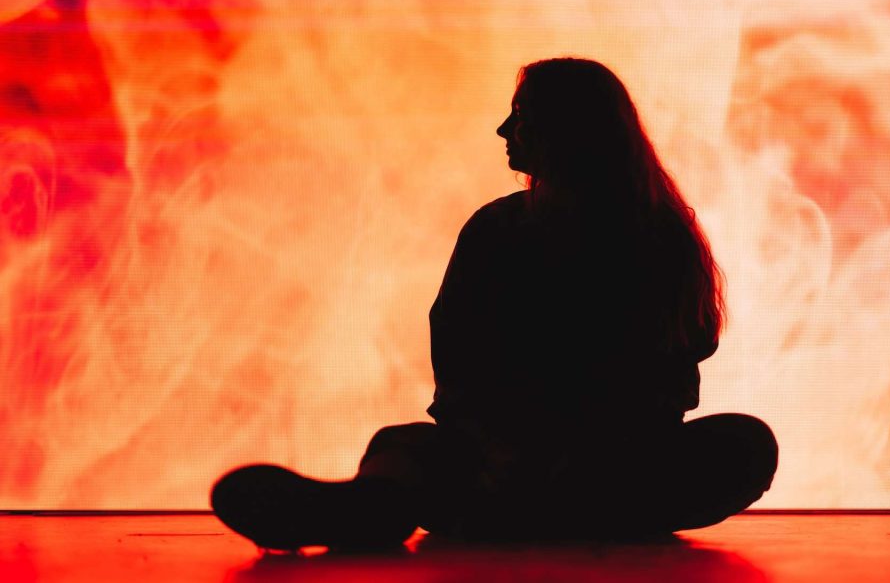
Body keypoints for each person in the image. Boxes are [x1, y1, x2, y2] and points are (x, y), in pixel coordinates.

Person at [210, 58, 778, 551]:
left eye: (522, 115)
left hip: (510, 475)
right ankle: (585, 518)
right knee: (742, 444)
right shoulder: (659, 233)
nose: (504, 128)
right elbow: (678, 362)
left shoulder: (502, 227)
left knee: (405, 448)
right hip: (605, 477)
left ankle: (376, 505)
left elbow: (459, 356)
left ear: (568, 130)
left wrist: (503, 449)